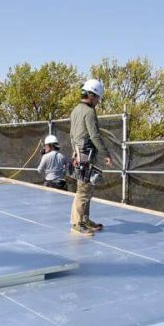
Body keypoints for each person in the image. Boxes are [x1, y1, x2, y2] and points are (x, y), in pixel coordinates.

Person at [69, 79, 114, 235]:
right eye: (97, 98)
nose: (97, 101)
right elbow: (94, 136)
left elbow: (72, 134)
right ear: (92, 95)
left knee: (86, 189)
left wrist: (75, 151)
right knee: (84, 190)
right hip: (86, 154)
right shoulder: (89, 112)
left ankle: (85, 220)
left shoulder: (75, 110)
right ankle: (77, 223)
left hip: (78, 152)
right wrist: (106, 154)